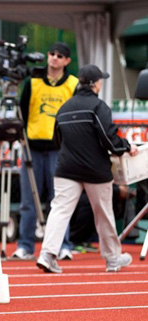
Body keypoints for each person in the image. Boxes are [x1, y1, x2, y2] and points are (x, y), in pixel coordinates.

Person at [36, 64, 138, 273]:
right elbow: (109, 139)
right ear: (95, 84)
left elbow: (58, 140)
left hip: (66, 168)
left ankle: (47, 254)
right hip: (95, 170)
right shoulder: (99, 107)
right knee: (104, 214)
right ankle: (112, 258)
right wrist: (127, 147)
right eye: (101, 79)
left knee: (60, 210)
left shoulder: (64, 108)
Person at [11, 42, 79, 261]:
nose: (54, 58)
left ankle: (63, 245)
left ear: (67, 61)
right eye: (51, 53)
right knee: (28, 200)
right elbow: (22, 110)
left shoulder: (73, 83)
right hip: (32, 149)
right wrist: (22, 139)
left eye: (60, 55)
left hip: (60, 149)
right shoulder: (32, 82)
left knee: (59, 199)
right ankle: (25, 245)